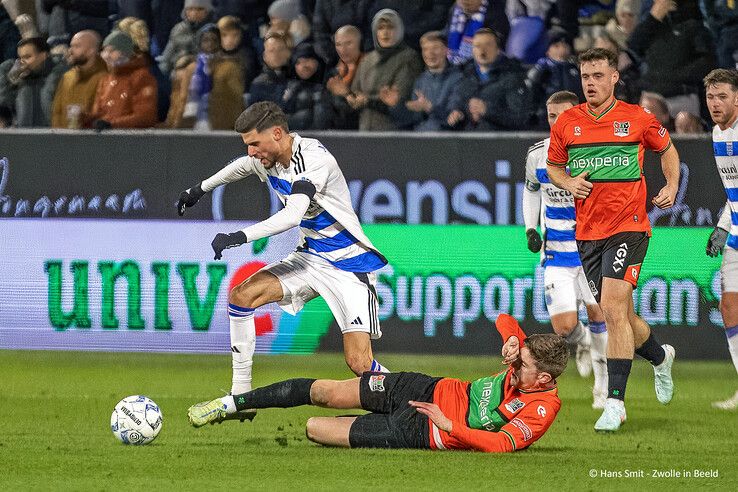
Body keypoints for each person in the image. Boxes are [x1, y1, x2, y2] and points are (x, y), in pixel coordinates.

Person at [176, 101, 391, 422]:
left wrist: (239, 236)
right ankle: (241, 396)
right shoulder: (267, 158)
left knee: (359, 363)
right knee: (242, 296)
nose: (251, 152)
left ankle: (407, 402)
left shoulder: (314, 160)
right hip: (311, 258)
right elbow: (241, 166)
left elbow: (292, 215)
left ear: (277, 133)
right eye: (247, 144)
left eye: (254, 143)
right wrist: (200, 189)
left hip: (350, 265)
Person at [187, 314, 567, 454]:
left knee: (314, 429)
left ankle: (367, 420)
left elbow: (502, 443)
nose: (515, 367)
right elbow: (504, 319)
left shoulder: (541, 409)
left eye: (524, 365)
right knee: (325, 392)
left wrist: (452, 427)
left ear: (545, 378)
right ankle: (233, 403)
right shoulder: (524, 358)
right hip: (421, 387)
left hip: (422, 430)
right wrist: (512, 340)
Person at [546, 48, 678, 432]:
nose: (590, 83)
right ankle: (659, 357)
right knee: (622, 316)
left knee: (613, 309)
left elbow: (667, 148)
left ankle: (615, 403)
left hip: (630, 225)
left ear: (614, 77)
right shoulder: (568, 122)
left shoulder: (637, 119)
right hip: (587, 232)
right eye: (585, 76)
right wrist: (569, 181)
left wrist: (670, 184)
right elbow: (554, 167)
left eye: (598, 76)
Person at [523, 90, 608, 409]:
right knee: (564, 327)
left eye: (563, 115)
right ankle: (583, 341)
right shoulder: (537, 155)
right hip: (556, 251)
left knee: (598, 312)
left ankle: (602, 385)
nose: (556, 122)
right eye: (551, 116)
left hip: (591, 250)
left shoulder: (596, 153)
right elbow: (530, 191)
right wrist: (531, 228)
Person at [703, 68, 738, 410]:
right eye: (711, 97)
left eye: (722, 96)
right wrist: (724, 225)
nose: (715, 103)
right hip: (737, 233)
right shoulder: (716, 133)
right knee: (730, 307)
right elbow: (734, 191)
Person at [349, 8, 422, 131]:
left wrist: (366, 100)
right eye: (380, 28)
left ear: (399, 31)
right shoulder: (367, 59)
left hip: (393, 132)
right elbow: (356, 91)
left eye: (390, 28)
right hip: (365, 130)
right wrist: (349, 97)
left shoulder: (409, 57)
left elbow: (400, 97)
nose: (385, 33)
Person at [446, 28, 532, 131]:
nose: (482, 50)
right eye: (478, 46)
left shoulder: (513, 77)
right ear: (472, 50)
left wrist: (487, 110)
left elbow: (520, 118)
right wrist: (457, 112)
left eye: (488, 45)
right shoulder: (464, 75)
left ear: (498, 50)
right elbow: (455, 101)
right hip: (467, 141)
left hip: (499, 142)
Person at [165, 23, 244, 130]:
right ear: (200, 43)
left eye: (214, 40)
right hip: (191, 123)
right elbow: (180, 99)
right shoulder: (191, 68)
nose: (210, 43)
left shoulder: (230, 68)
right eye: (206, 40)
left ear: (220, 43)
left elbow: (236, 99)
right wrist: (172, 123)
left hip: (220, 125)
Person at [384, 30, 462, 131]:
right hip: (419, 142)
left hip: (446, 142)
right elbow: (412, 119)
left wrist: (429, 108)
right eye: (425, 49)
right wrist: (396, 106)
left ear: (446, 50)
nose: (430, 53)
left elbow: (454, 118)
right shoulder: (420, 80)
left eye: (435, 48)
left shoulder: (458, 78)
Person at [87, 30, 157, 129]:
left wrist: (112, 124)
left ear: (125, 53)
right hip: (107, 139)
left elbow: (145, 116)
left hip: (131, 140)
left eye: (112, 51)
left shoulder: (141, 77)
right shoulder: (105, 79)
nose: (106, 55)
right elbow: (99, 113)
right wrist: (84, 118)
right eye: (104, 51)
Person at [0, 36, 64, 127]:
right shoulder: (15, 77)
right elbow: (5, 108)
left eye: (27, 57)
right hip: (22, 137)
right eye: (20, 58)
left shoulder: (59, 73)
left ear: (43, 56)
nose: (22, 63)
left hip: (53, 137)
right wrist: (11, 83)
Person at [50, 30, 106, 128]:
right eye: (71, 46)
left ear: (91, 50)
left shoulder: (105, 77)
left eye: (77, 46)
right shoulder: (67, 76)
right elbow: (56, 112)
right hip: (63, 139)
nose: (70, 50)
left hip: (91, 140)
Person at [324, 25, 363, 130]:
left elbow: (362, 105)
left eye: (348, 43)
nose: (343, 50)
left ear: (359, 43)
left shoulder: (368, 68)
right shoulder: (333, 73)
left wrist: (345, 93)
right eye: (338, 44)